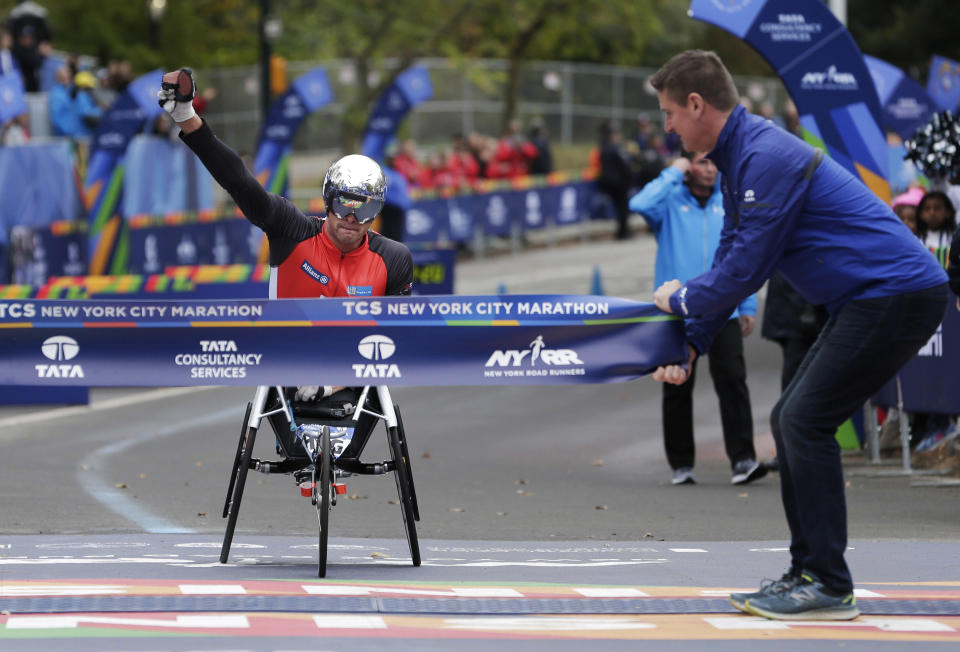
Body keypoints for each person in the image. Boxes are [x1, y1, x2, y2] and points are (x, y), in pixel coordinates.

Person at [647, 50, 947, 621]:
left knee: (802, 420)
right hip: (869, 298)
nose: (666, 127)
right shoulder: (742, 156)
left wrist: (680, 299)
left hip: (897, 293)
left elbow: (746, 269)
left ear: (696, 104)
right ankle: (809, 573)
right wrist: (688, 343)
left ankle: (827, 583)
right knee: (793, 418)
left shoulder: (764, 154)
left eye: (668, 113)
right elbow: (731, 257)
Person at [158, 68, 414, 402]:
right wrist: (187, 118)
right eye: (344, 205)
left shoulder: (394, 258)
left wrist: (335, 383)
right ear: (327, 201)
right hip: (286, 374)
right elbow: (239, 182)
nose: (352, 218)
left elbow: (397, 342)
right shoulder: (292, 229)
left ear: (377, 212)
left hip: (356, 381)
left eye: (364, 209)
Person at [630, 152, 765, 486]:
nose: (709, 169)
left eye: (713, 163)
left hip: (723, 308)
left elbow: (742, 257)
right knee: (677, 384)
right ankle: (681, 463)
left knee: (732, 380)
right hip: (675, 312)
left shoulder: (729, 202)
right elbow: (640, 204)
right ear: (689, 165)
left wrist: (746, 306)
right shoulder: (669, 202)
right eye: (701, 163)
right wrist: (673, 172)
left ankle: (743, 459)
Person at [596, 121, 633, 240]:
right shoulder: (616, 148)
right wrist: (630, 177)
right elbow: (624, 165)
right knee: (623, 207)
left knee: (618, 208)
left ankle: (621, 231)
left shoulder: (602, 148)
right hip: (619, 182)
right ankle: (624, 231)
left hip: (608, 181)